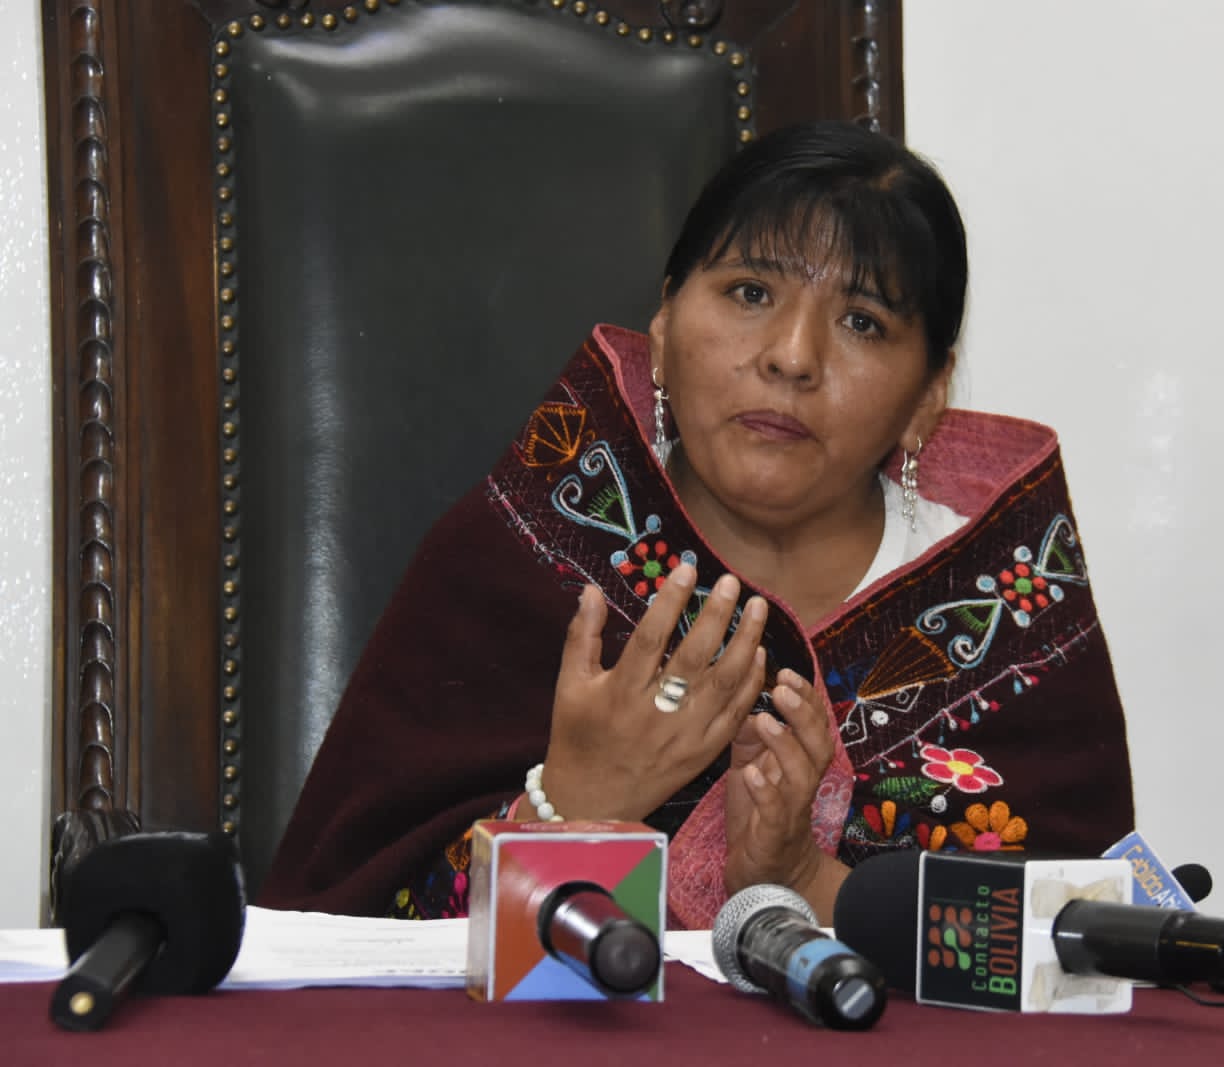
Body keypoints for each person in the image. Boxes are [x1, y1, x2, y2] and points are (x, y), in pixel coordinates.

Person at [258, 120, 1134, 929]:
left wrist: (801, 876)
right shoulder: (520, 556)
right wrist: (575, 803)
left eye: (863, 322)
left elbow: (1071, 959)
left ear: (927, 397)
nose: (792, 356)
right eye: (751, 291)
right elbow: (345, 940)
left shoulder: (1009, 602)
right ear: (667, 321)